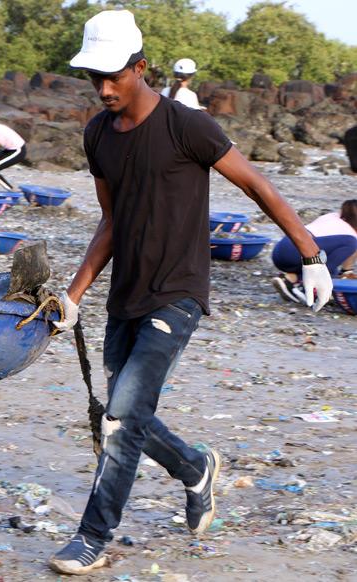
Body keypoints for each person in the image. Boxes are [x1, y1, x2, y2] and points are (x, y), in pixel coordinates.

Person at [48, 9, 332, 575]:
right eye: (93, 79)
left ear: (140, 67)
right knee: (126, 414)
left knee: (121, 420)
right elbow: (110, 222)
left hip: (178, 293)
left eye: (113, 76)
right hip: (125, 294)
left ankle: (91, 536)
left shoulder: (186, 126)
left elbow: (256, 184)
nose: (103, 89)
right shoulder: (97, 134)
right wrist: (74, 295)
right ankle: (195, 467)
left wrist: (311, 254)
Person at [272, 200, 357, 302]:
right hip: (293, 252)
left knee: (333, 271)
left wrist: (342, 273)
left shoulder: (332, 216)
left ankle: (289, 279)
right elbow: (352, 247)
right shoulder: (351, 235)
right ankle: (306, 288)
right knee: (349, 244)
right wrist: (346, 272)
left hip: (280, 251)